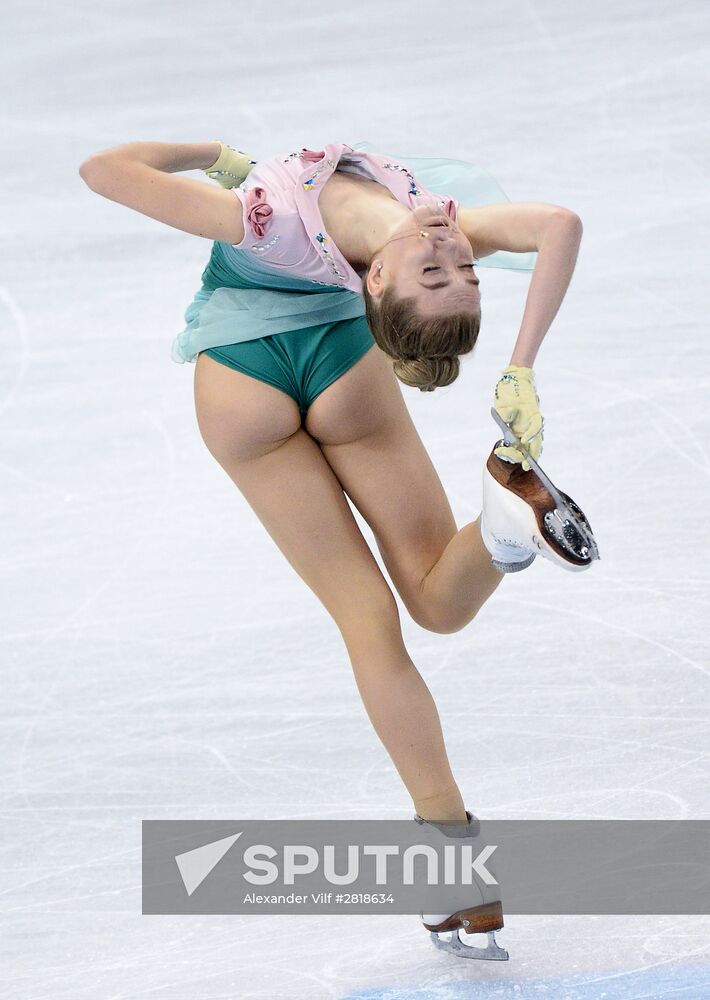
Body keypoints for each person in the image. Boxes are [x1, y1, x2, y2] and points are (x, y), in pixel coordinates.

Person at [78, 139, 598, 958]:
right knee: (427, 604)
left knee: (380, 618)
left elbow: (102, 170)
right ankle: (500, 527)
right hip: (337, 370)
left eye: (444, 274)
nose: (454, 259)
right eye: (460, 273)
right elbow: (558, 226)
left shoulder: (262, 218)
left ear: (376, 283)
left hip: (244, 384)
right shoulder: (444, 220)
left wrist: (212, 153)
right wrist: (517, 369)